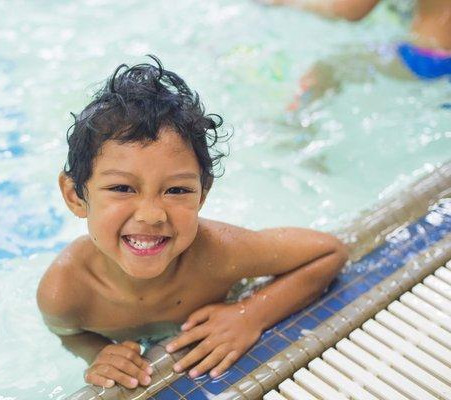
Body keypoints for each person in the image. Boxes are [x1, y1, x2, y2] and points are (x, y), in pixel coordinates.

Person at [36, 56, 348, 390]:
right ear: (75, 196)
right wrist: (98, 353)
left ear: (202, 195)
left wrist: (251, 315)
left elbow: (329, 252)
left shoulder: (218, 253)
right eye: (122, 188)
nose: (152, 215)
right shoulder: (65, 292)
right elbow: (69, 332)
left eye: (177, 190)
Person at [259, 0, 451, 112]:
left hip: (431, 61)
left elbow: (349, 12)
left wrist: (283, 2)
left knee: (326, 68)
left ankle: (292, 134)